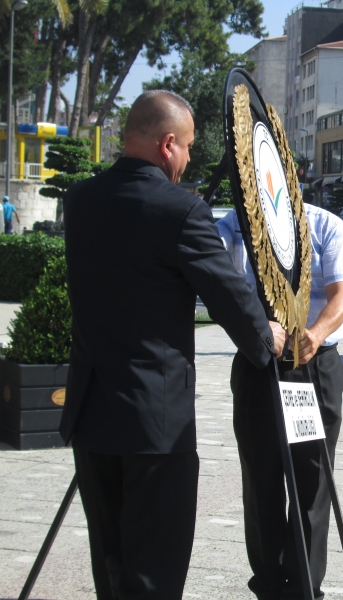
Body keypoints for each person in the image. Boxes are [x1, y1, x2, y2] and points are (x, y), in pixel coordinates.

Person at [60, 90, 285, 600]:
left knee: (112, 566)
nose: (185, 161)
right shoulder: (180, 210)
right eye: (185, 148)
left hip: (92, 412)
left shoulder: (80, 200)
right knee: (154, 574)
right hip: (154, 423)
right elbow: (229, 295)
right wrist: (264, 338)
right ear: (167, 144)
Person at [217, 204, 343, 600]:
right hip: (258, 363)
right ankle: (268, 584)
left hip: (313, 366)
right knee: (260, 480)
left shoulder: (324, 224)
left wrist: (315, 332)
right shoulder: (235, 223)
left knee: (312, 481)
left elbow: (341, 294)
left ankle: (304, 587)